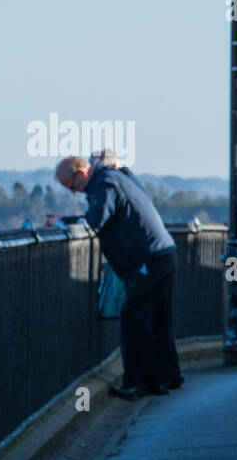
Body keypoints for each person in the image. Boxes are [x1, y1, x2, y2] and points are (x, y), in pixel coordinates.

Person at [55, 155, 183, 399]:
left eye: (71, 187)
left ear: (81, 174)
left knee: (132, 318)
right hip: (162, 253)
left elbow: (97, 221)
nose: (74, 193)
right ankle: (167, 376)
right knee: (158, 319)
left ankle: (137, 382)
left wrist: (68, 223)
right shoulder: (115, 178)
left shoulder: (105, 184)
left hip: (149, 258)